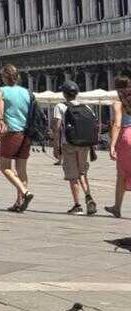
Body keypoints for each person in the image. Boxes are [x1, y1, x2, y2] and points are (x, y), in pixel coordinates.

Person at [54, 80, 99, 215]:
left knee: (73, 175)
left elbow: (57, 128)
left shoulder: (60, 106)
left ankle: (77, 205)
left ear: (64, 93)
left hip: (68, 144)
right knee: (82, 173)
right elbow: (94, 125)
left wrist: (56, 146)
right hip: (84, 145)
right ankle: (89, 197)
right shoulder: (87, 107)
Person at [0, 65, 36, 212]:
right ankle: (19, 203)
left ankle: (25, 192)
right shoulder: (27, 92)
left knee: (5, 167)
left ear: (4, 77)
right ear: (18, 77)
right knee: (21, 169)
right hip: (26, 134)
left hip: (11, 133)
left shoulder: (1, 91)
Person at [108, 72, 131, 219]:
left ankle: (117, 207)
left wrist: (112, 146)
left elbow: (117, 124)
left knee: (122, 174)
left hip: (126, 137)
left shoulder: (118, 102)